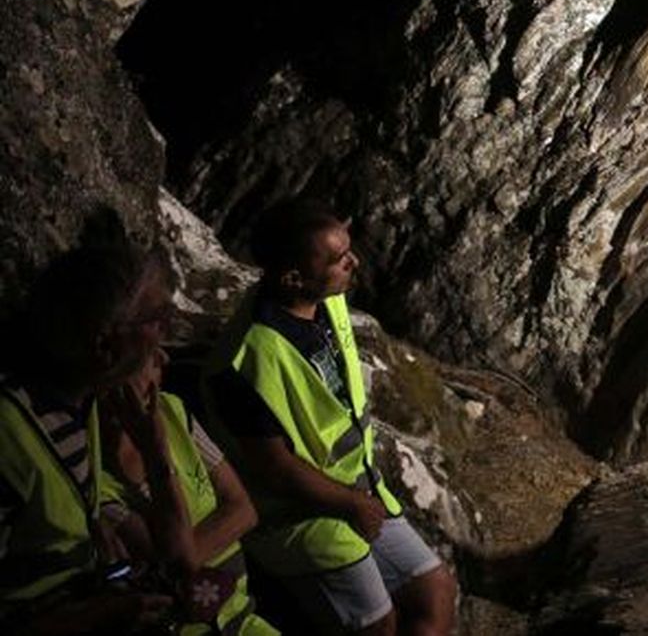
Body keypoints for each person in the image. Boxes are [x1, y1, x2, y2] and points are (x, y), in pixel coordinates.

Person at [206, 198, 456, 636]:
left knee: (435, 591)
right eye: (340, 259)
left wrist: (361, 496)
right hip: (302, 517)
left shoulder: (324, 300)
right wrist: (352, 504)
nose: (353, 263)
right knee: (378, 627)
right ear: (293, 277)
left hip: (358, 487)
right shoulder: (249, 358)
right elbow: (275, 467)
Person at [0, 225, 176, 634]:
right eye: (159, 320)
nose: (165, 338)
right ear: (104, 345)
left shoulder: (84, 400)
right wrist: (97, 616)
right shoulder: (10, 436)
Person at [101, 345, 280, 634]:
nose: (163, 357)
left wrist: (188, 556)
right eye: (147, 353)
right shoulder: (96, 479)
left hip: (242, 617)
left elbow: (244, 509)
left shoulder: (172, 410)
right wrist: (156, 452)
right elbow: (179, 561)